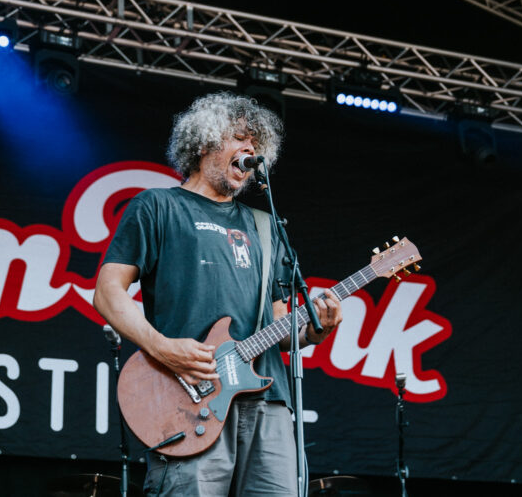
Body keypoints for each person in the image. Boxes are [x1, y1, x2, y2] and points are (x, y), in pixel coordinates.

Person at [93, 91, 342, 496]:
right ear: (205, 140)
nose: (251, 151)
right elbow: (107, 293)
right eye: (241, 139)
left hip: (269, 400)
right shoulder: (157, 206)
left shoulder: (265, 226)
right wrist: (162, 347)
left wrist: (315, 331)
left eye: (257, 145)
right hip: (189, 397)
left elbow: (280, 324)